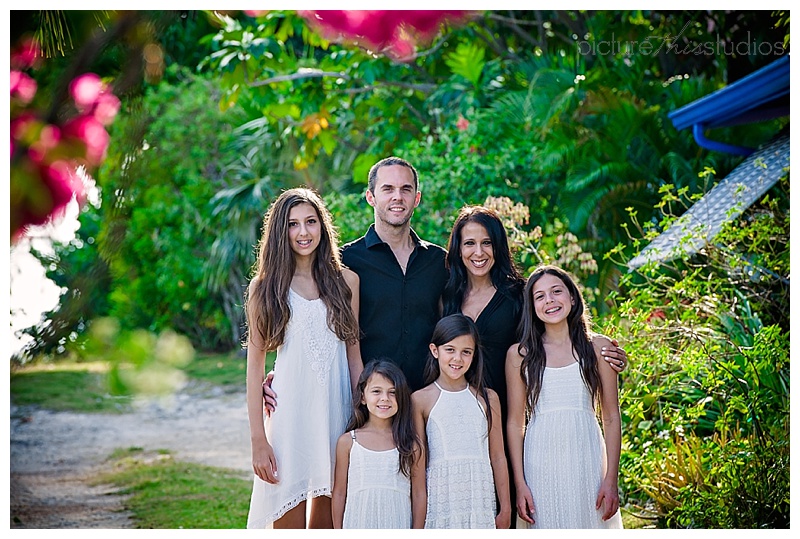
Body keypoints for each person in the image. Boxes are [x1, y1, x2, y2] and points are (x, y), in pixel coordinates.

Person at [244, 187, 363, 529]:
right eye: (293, 224)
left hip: (336, 410)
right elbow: (255, 368)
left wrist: (362, 417)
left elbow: (354, 357)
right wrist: (258, 440)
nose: (303, 232)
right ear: (281, 231)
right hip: (289, 418)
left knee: (328, 520)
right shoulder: (265, 287)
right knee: (288, 517)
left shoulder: (347, 282)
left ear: (322, 227)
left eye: (311, 222)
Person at [505, 265, 623, 529]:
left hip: (588, 459)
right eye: (540, 296)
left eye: (557, 291)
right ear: (532, 307)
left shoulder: (599, 348)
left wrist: (611, 478)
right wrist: (520, 483)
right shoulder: (519, 356)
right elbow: (515, 423)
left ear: (572, 296)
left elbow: (612, 417)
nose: (550, 301)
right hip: (540, 462)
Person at [410, 314, 511, 529]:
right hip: (441, 502)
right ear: (434, 350)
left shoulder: (488, 399)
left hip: (480, 502)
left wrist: (506, 509)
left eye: (466, 352)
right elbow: (418, 468)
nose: (457, 359)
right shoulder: (420, 400)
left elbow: (498, 456)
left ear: (474, 355)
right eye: (450, 350)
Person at [332, 359, 419, 529]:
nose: (385, 398)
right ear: (363, 397)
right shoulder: (348, 442)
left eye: (393, 392)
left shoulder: (409, 445)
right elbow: (340, 493)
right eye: (377, 391)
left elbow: (419, 493)